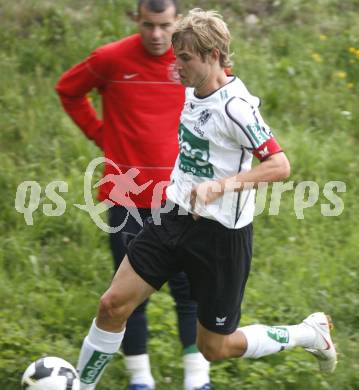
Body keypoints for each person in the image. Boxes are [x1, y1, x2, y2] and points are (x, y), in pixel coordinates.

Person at [74, 7, 338, 390]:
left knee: (215, 347)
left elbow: (280, 165)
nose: (175, 65)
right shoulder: (191, 88)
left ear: (213, 56)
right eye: (175, 56)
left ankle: (308, 333)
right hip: (173, 215)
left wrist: (221, 186)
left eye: (184, 58)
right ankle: (80, 385)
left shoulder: (237, 107)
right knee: (112, 305)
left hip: (221, 238)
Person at [56, 1, 211, 389]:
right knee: (127, 295)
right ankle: (140, 380)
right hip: (129, 198)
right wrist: (101, 135)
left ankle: (197, 380)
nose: (157, 35)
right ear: (136, 21)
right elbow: (69, 90)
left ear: (178, 23)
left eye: (164, 26)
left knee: (190, 290)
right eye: (148, 25)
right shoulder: (110, 59)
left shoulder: (192, 61)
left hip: (184, 196)